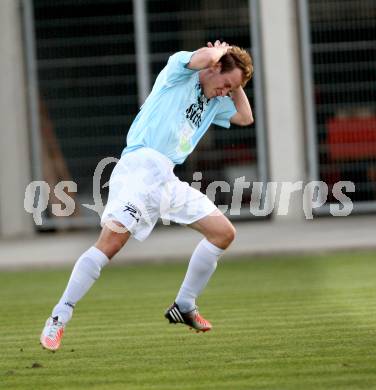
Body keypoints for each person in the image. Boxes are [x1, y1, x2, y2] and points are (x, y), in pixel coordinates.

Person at [40, 40, 254, 351]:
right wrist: (221, 53)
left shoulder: (215, 102)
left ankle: (184, 304)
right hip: (140, 168)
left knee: (223, 233)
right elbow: (205, 56)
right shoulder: (179, 73)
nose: (225, 92)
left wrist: (237, 83)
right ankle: (59, 317)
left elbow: (246, 118)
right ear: (214, 68)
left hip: (166, 178)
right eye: (225, 84)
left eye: (230, 89)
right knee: (110, 244)